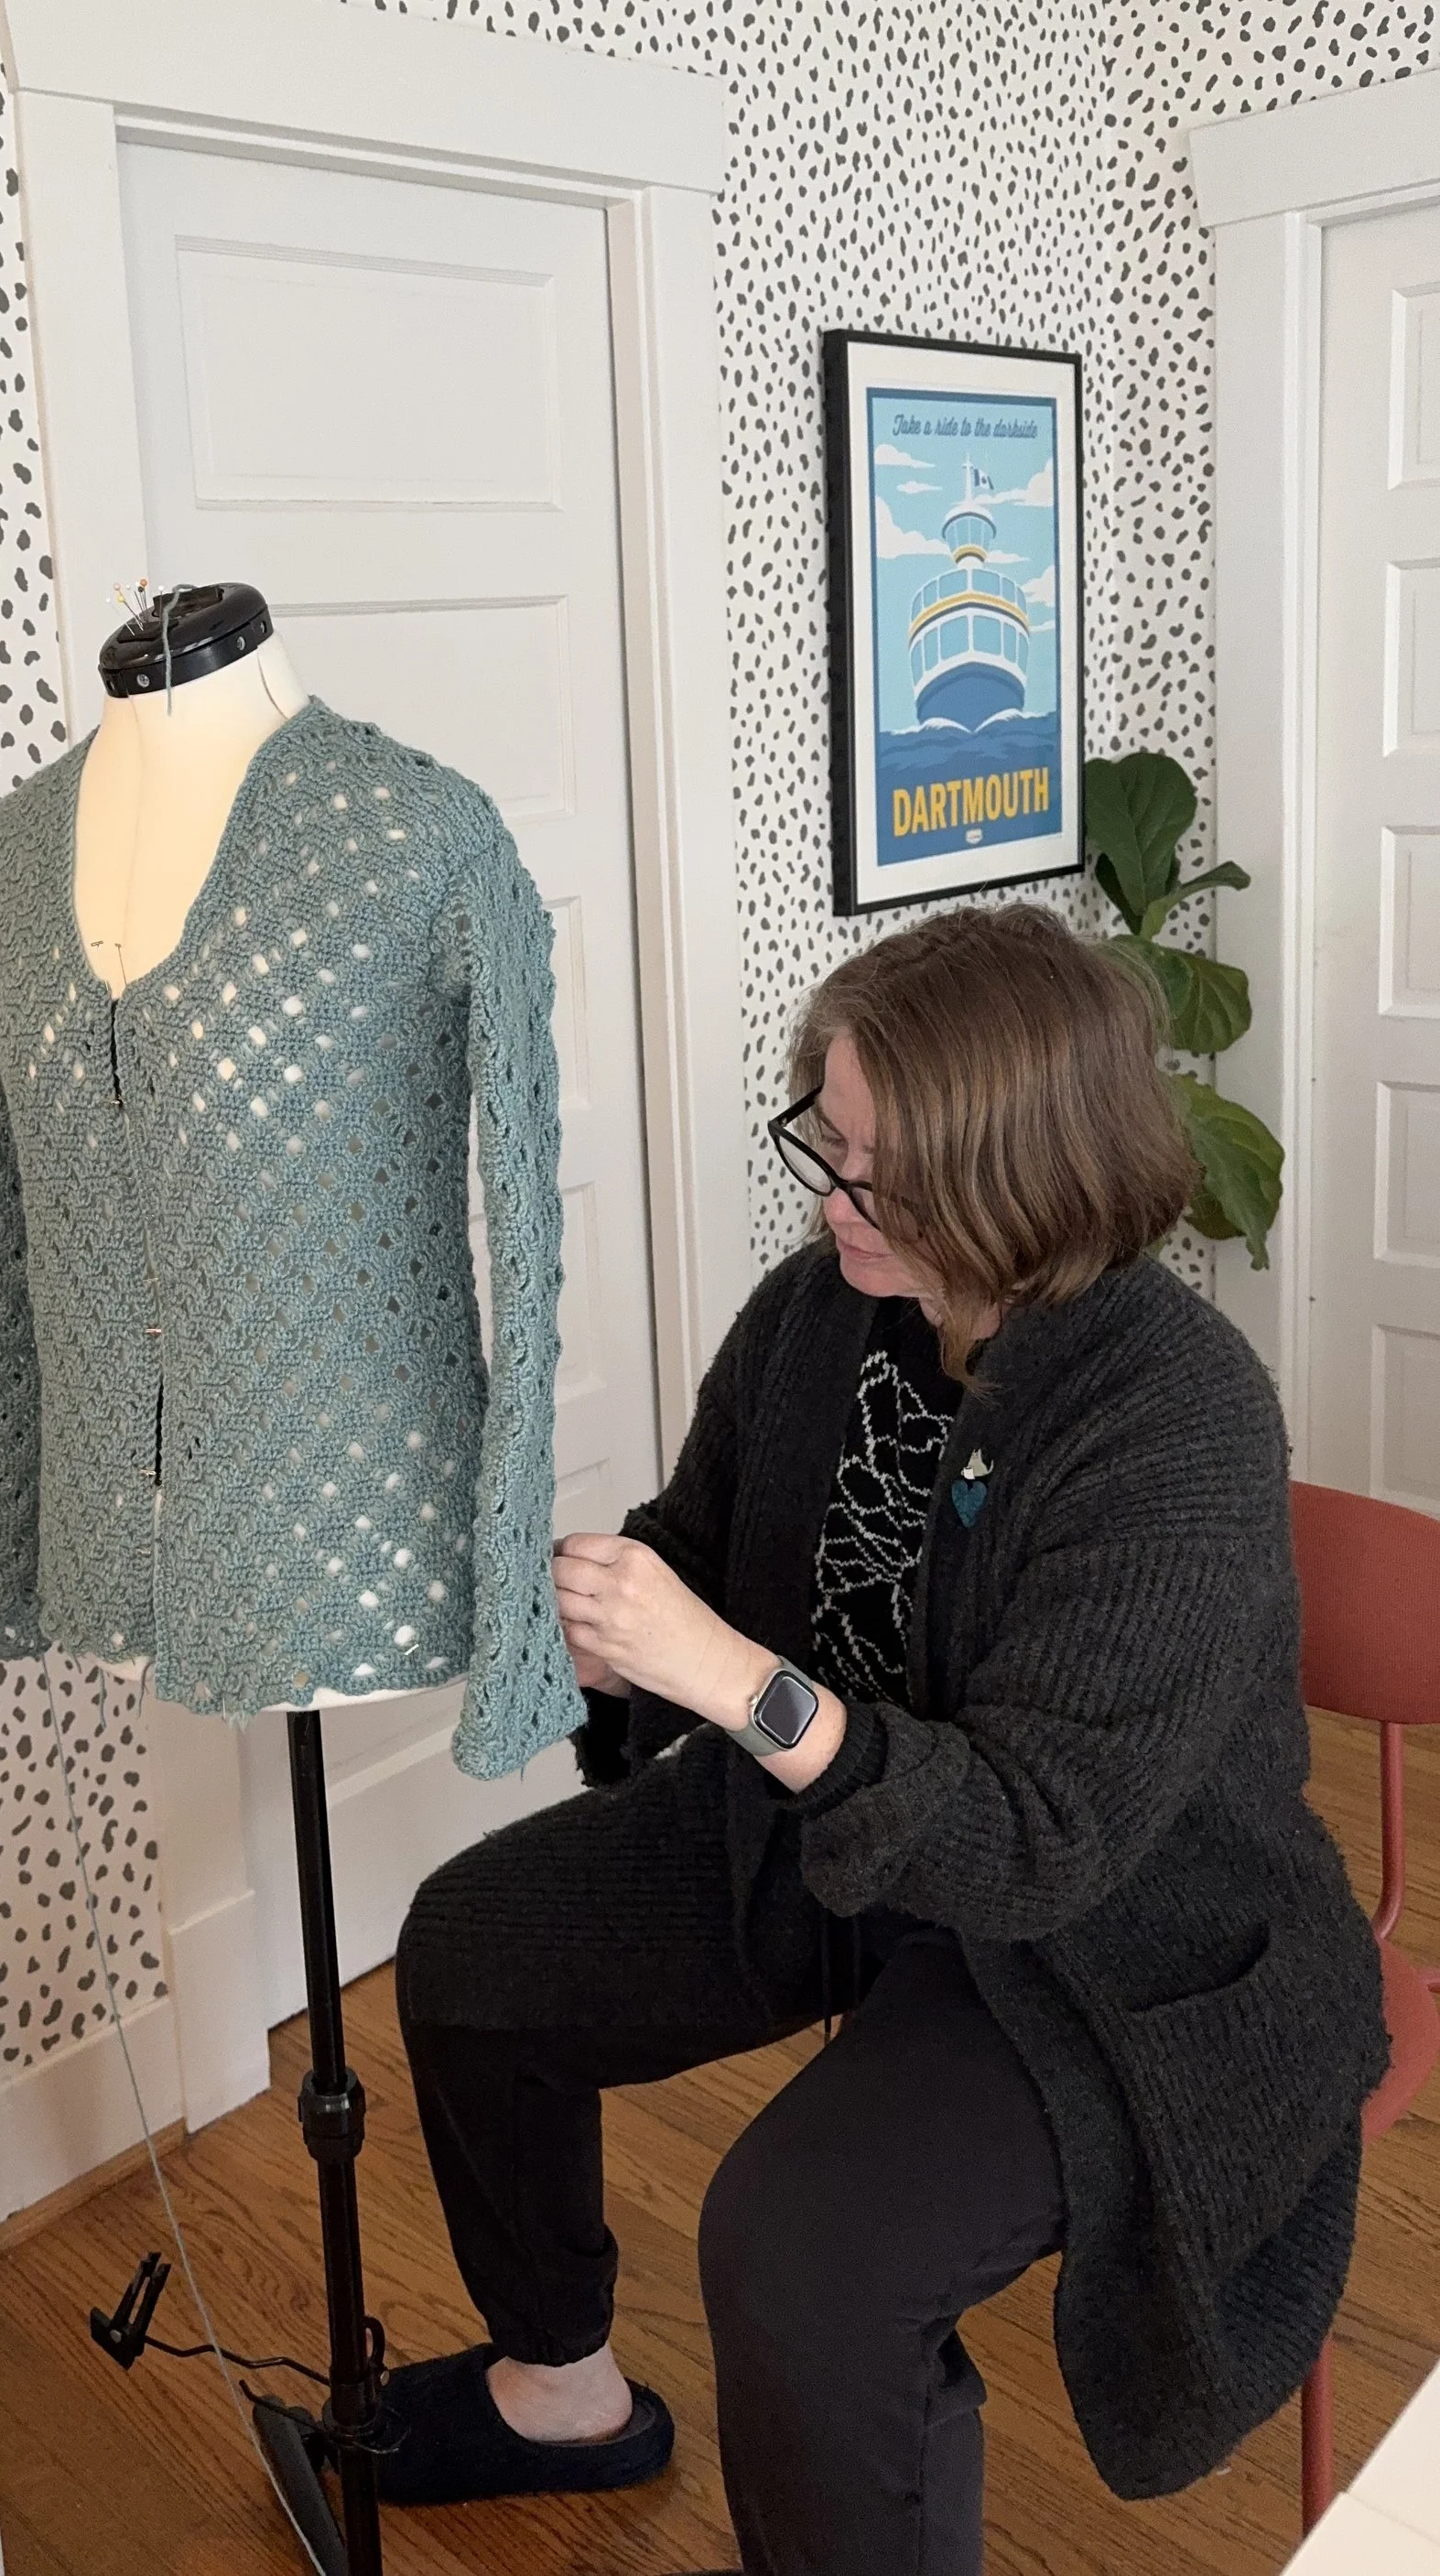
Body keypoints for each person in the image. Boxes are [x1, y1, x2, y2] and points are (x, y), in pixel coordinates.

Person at [382, 903, 1389, 2576]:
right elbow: (701, 1543)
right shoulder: (819, 1312)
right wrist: (561, 1609)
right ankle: (559, 2384)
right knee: (475, 1948)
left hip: (1100, 1934)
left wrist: (729, 1679)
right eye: (827, 1143)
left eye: (877, 1171)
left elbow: (1036, 1837)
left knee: (802, 2247)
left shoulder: (1175, 1412)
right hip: (832, 1831)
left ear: (1025, 1172)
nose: (830, 1196)